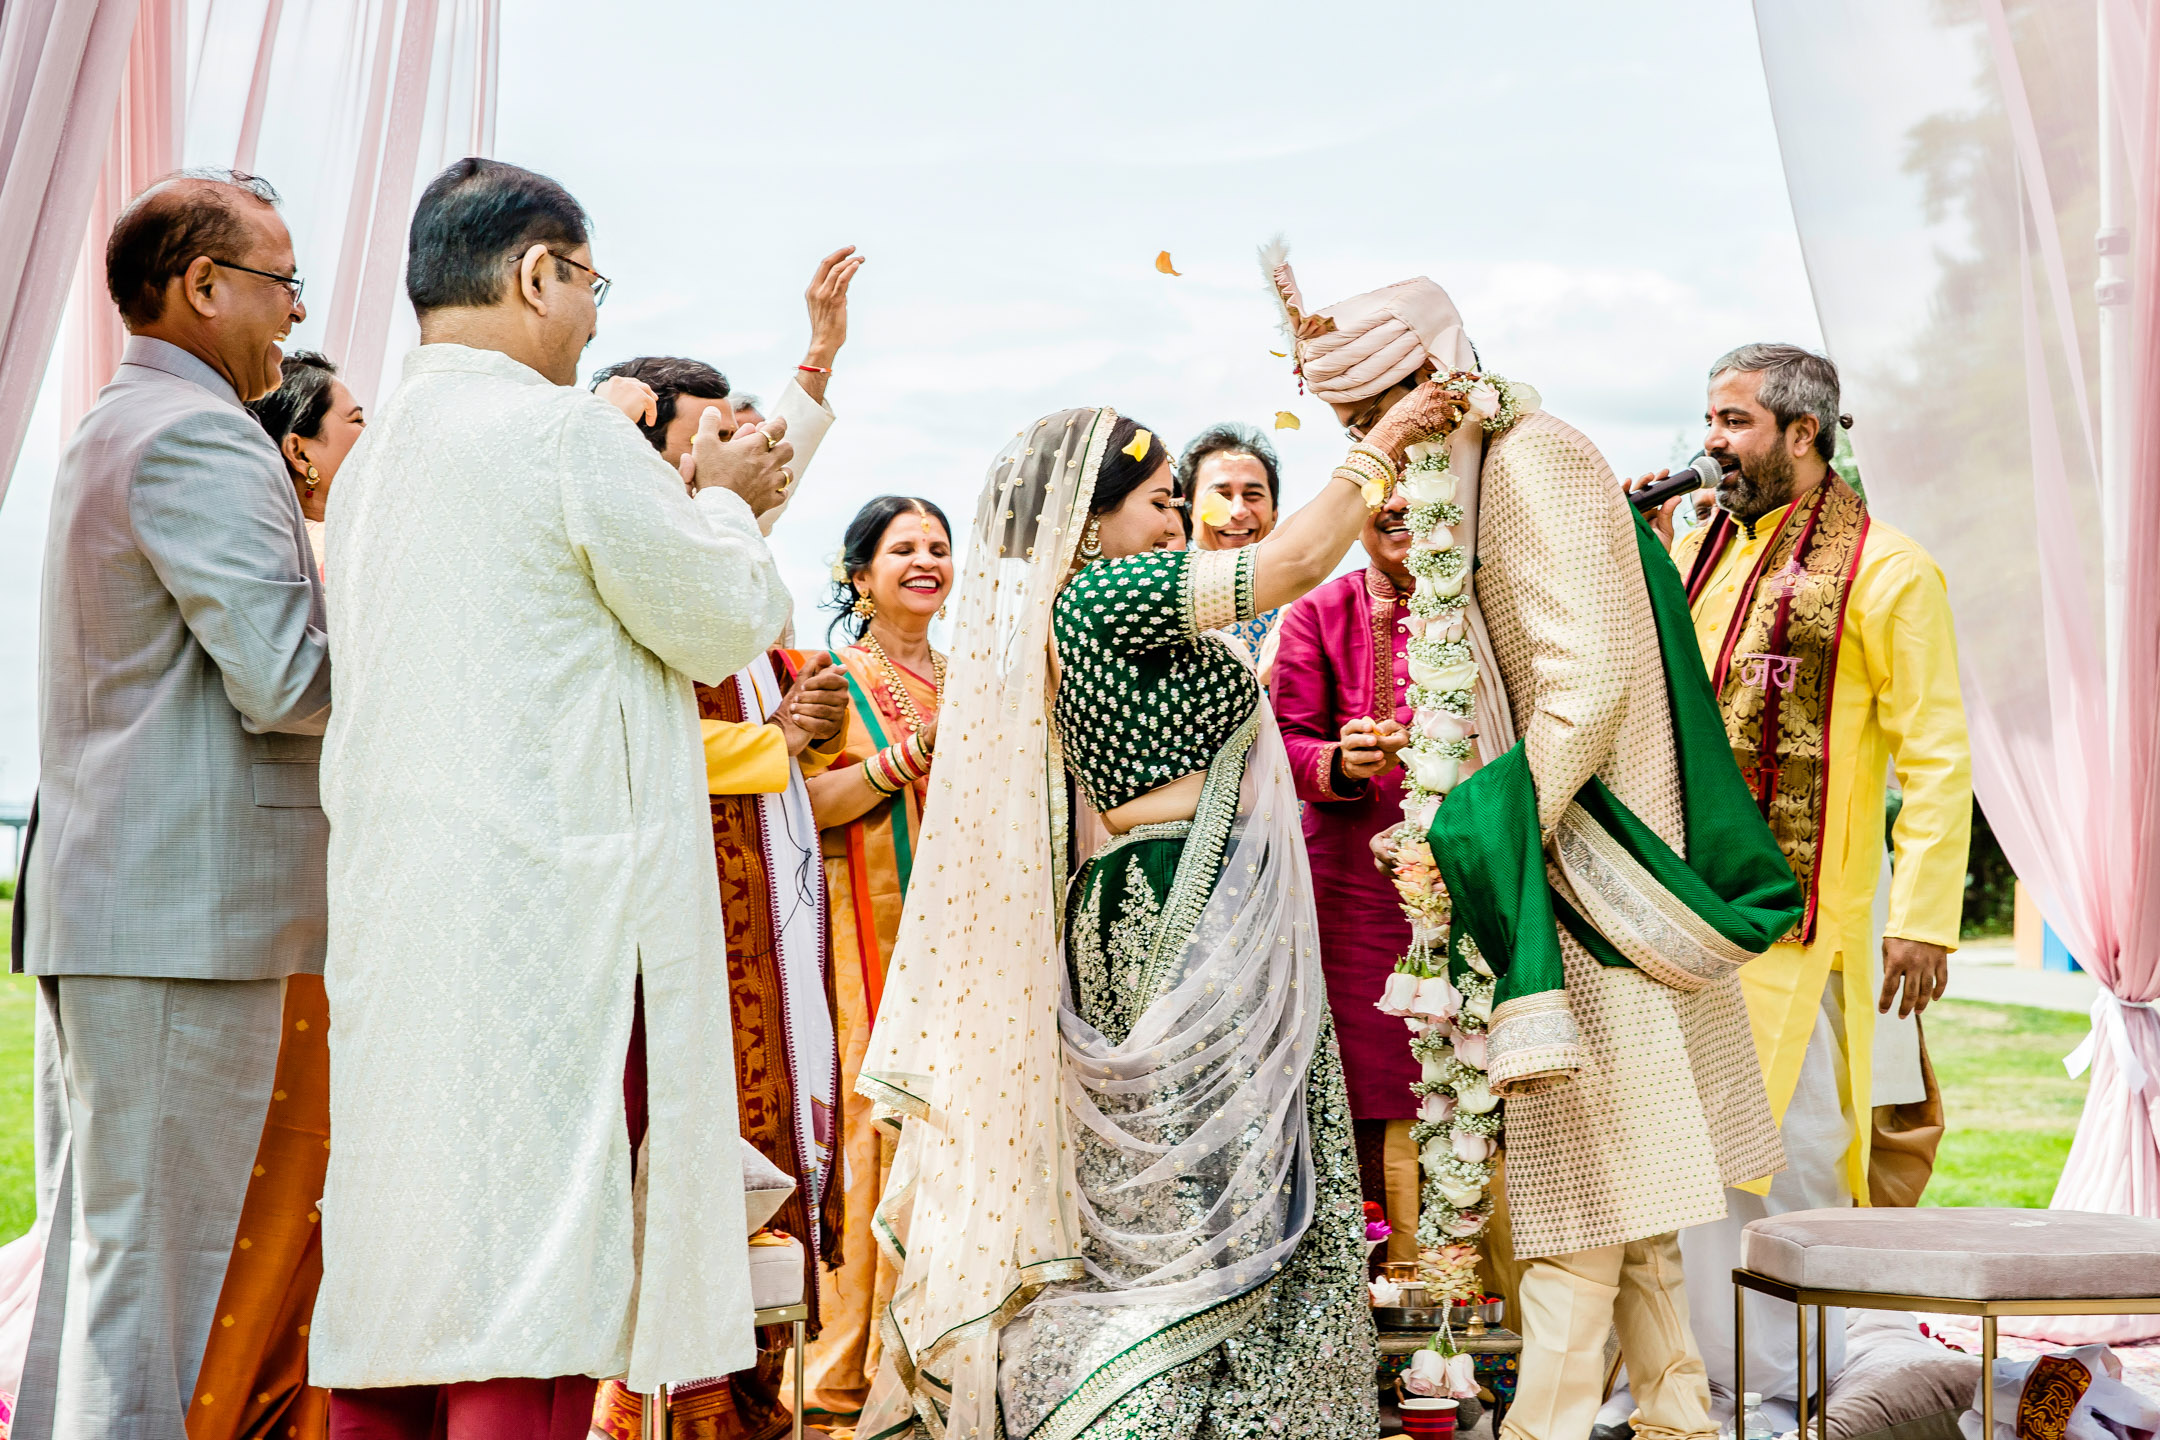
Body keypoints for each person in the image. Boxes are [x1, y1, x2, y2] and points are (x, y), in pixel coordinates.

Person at [1272, 251, 1801, 1440]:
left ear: (1438, 383)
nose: (1379, 443)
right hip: (1561, 864)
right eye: (1356, 424)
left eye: (1380, 412)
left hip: (1595, 869)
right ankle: (1674, 1419)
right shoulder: (1480, 471)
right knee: (1633, 1193)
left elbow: (1588, 681)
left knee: (1574, 1204)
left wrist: (1475, 827)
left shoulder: (1533, 461)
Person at [312, 157, 796, 1434]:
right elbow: (716, 621)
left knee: (404, 1282)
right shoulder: (564, 431)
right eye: (589, 284)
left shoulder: (372, 464)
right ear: (539, 273)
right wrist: (734, 513)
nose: (591, 319)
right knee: (536, 1279)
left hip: (403, 923)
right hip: (554, 924)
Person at [856, 403, 1416, 1440]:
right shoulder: (1111, 590)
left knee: (1193, 1185)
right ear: (1091, 514)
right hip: (1182, 908)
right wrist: (1387, 444)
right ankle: (1178, 1414)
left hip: (1141, 902)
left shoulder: (1079, 610)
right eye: (1161, 503)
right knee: (1215, 1184)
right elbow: (1289, 567)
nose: (1176, 525)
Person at [13, 169, 329, 1440]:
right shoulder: (199, 432)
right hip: (181, 925)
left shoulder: (122, 417)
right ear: (203, 285)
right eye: (280, 283)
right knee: (154, 1285)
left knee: (112, 1269)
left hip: (129, 910)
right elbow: (290, 677)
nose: (293, 314)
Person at [1612, 344, 1971, 1434]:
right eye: (1708, 419)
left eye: (1734, 422)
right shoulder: (1710, 547)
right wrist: (1639, 553)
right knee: (1687, 1152)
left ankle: (1785, 1383)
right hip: (1689, 913)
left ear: (1803, 434)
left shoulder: (1889, 569)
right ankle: (1688, 1373)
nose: (1709, 441)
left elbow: (1938, 756)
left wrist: (1923, 919)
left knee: (1789, 1150)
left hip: (1809, 928)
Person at [583, 348, 854, 1440]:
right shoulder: (633, 563)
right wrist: (774, 741)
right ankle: (677, 1409)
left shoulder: (708, 557)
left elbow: (760, 492)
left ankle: (752, 1402)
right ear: (657, 453)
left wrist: (817, 362)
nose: (740, 445)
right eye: (715, 428)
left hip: (753, 899)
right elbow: (624, 741)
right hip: (681, 913)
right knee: (696, 1154)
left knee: (764, 1148)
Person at [795, 495, 954, 1423]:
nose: (925, 562)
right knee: (871, 1135)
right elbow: (805, 805)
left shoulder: (975, 676)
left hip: (972, 946)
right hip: (868, 941)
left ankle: (935, 1360)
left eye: (938, 548)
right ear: (861, 576)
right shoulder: (832, 677)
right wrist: (907, 758)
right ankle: (841, 1379)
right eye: (903, 549)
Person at [1269, 488, 1425, 1266]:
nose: (1398, 507)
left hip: (1478, 883)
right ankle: (1374, 1287)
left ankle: (1476, 1308)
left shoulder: (1489, 600)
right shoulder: (1318, 612)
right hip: (1353, 894)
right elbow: (1286, 742)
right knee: (1364, 1079)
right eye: (1379, 494)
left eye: (1418, 487)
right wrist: (1339, 760)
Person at [245, 349, 367, 573]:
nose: (371, 433)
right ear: (299, 453)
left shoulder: (257, 545)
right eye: (357, 419)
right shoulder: (347, 548)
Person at [1178, 423, 1284, 668]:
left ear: (1274, 513)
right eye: (1221, 495)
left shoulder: (1306, 607)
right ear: (1189, 512)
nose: (1238, 511)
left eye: (1253, 495)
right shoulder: (1158, 601)